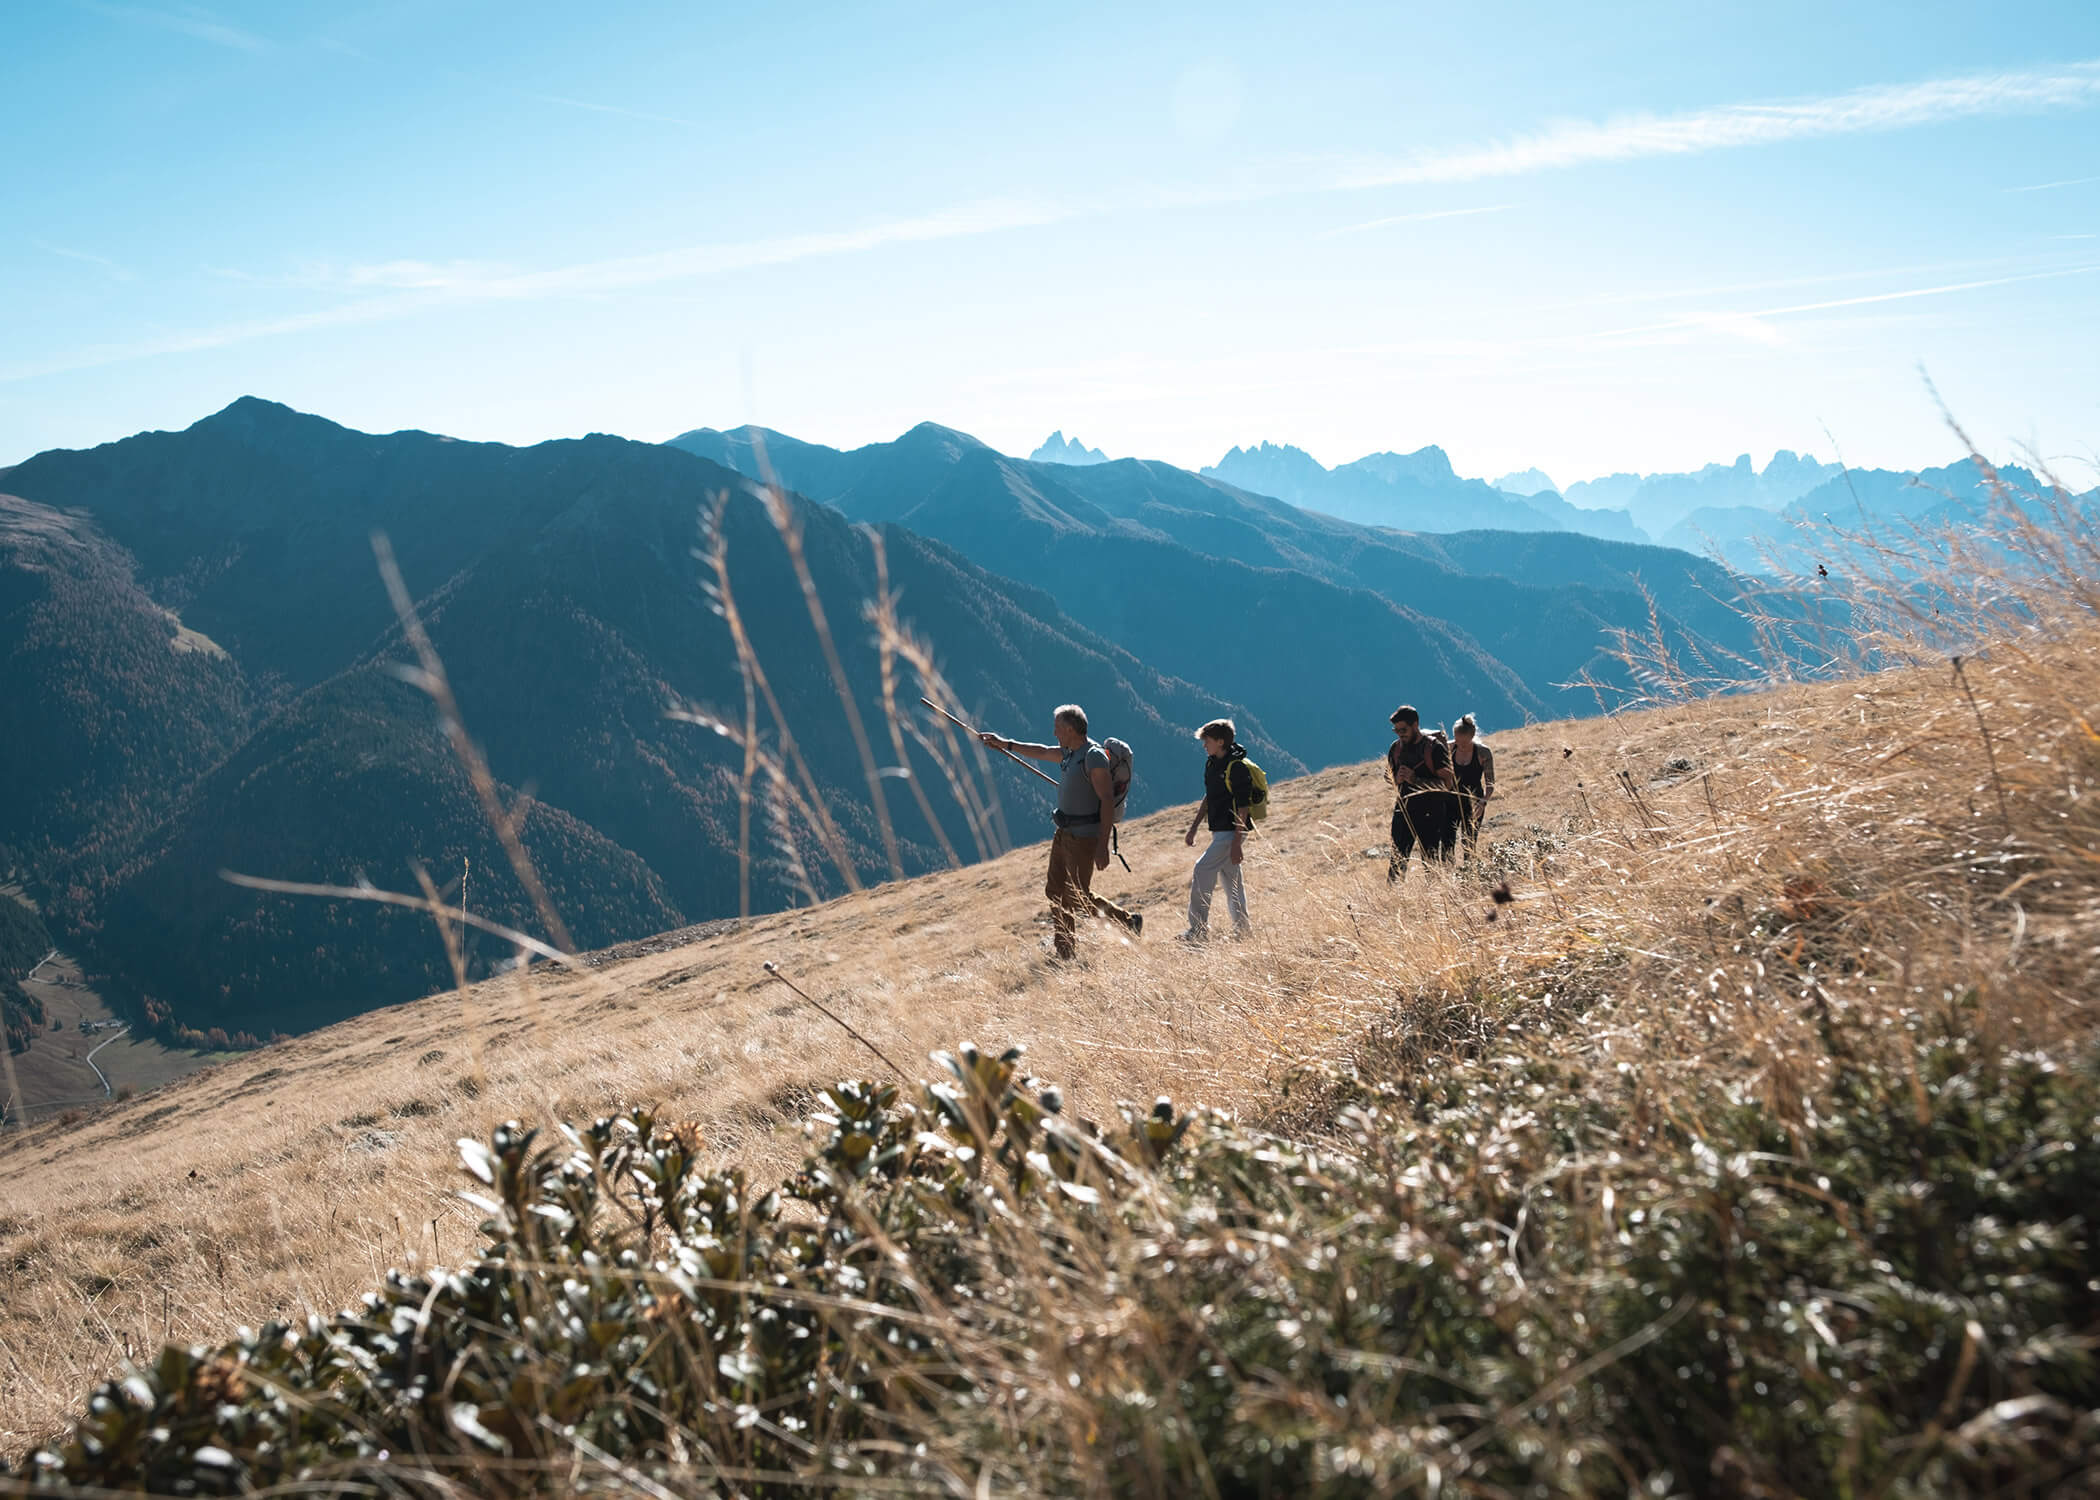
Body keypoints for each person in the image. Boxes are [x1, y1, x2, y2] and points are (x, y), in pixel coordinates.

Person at [979, 704, 1140, 960]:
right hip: (1064, 833)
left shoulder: (1093, 756)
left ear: (1070, 729)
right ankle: (1065, 949)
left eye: (1057, 729)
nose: (1054, 733)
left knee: (1077, 896)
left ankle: (1126, 922)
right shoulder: (1070, 752)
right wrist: (1005, 744)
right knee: (1055, 890)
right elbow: (1041, 752)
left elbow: (1107, 800)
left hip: (1085, 837)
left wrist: (1102, 846)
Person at [1180, 719, 1254, 942]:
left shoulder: (1237, 767)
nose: (1204, 745)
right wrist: (1193, 828)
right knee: (1232, 882)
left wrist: (1236, 843)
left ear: (1220, 741)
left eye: (1208, 741)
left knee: (1202, 870)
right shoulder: (1212, 764)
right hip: (1220, 832)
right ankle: (1243, 931)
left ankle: (1198, 930)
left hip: (1231, 833)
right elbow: (1209, 797)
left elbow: (1244, 807)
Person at [1386, 704, 1459, 879]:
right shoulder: (1395, 749)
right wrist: (1397, 779)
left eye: (1403, 729)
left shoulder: (1434, 749)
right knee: (1397, 863)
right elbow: (1389, 777)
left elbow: (1447, 785)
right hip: (1403, 811)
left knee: (1431, 863)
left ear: (1416, 725)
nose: (1400, 734)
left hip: (1431, 813)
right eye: (1396, 730)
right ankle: (1393, 900)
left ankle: (1434, 901)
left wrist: (1415, 780)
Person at [1451, 712, 1497, 858]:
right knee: (1447, 840)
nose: (1460, 746)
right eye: (1457, 741)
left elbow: (1490, 783)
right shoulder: (1449, 748)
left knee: (1469, 842)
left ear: (1472, 737)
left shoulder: (1483, 752)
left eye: (1464, 743)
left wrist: (1483, 802)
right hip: (1451, 801)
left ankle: (1469, 875)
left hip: (1475, 802)